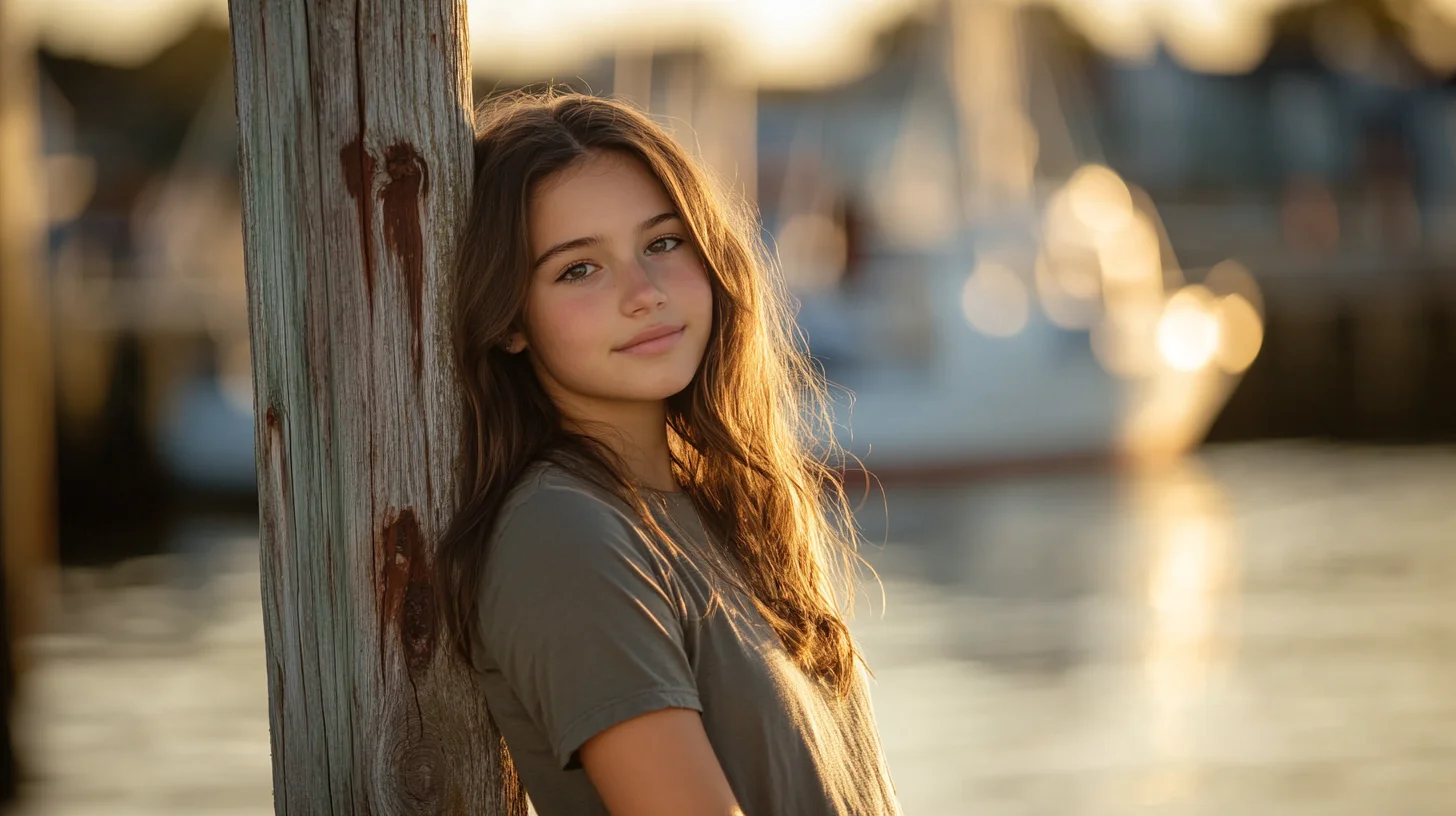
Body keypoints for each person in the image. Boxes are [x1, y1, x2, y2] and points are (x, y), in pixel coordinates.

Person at [433, 90, 900, 816]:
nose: (643, 293)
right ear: (510, 321)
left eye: (662, 243)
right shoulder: (562, 534)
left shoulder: (724, 508)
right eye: (577, 269)